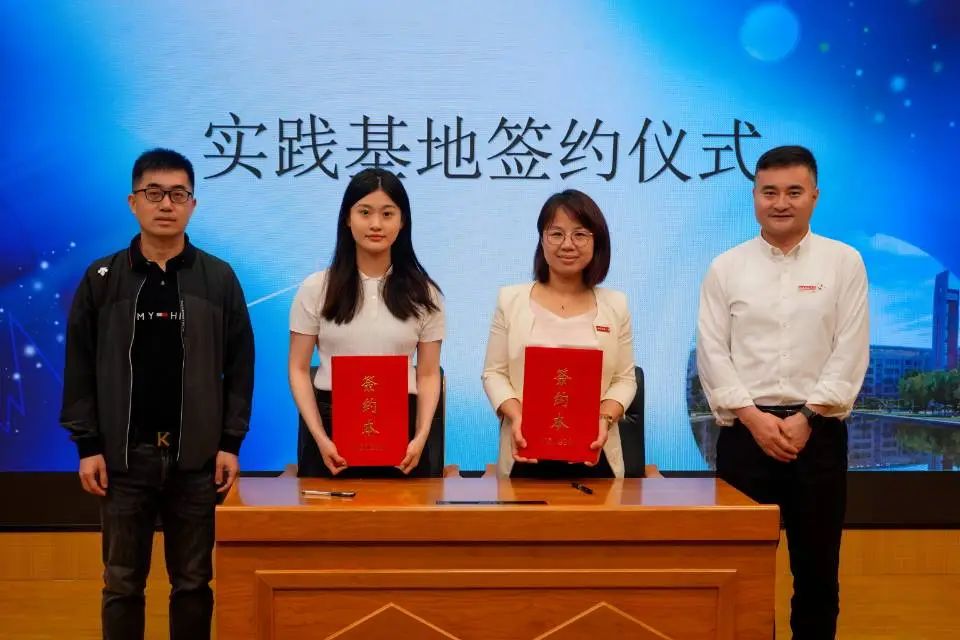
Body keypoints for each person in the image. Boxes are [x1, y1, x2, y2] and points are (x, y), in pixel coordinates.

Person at [60, 148, 255, 639]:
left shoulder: (218, 278)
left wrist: (230, 443)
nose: (166, 204)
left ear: (193, 204)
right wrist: (88, 445)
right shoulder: (103, 279)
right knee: (122, 584)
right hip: (124, 461)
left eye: (178, 194)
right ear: (133, 202)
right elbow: (79, 367)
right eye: (154, 193)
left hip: (197, 460)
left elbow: (240, 367)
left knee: (193, 583)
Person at [697, 145, 869, 639]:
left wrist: (807, 417)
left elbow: (850, 349)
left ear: (815, 196)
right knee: (743, 575)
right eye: (769, 192)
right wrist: (753, 418)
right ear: (754, 196)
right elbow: (713, 352)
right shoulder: (725, 267)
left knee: (817, 573)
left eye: (794, 192)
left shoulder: (844, 262)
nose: (780, 203)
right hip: (744, 437)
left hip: (818, 436)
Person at [289, 168, 444, 477]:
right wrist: (320, 437)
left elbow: (428, 374)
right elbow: (299, 369)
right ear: (347, 219)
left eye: (387, 214)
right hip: (330, 434)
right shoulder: (316, 288)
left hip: (404, 438)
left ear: (402, 221)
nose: (376, 224)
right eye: (364, 212)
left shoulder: (425, 293)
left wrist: (421, 436)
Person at [481, 189, 637, 478]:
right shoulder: (510, 300)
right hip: (524, 451)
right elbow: (494, 374)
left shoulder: (616, 305)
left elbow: (625, 380)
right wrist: (517, 416)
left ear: (597, 242)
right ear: (542, 240)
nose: (568, 244)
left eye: (580, 235)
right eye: (556, 234)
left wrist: (604, 419)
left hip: (595, 453)